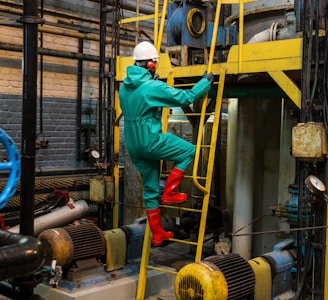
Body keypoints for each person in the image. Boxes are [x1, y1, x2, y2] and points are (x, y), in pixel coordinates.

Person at [119, 41, 214, 246]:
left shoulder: (124, 88)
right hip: (149, 140)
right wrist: (204, 83)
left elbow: (141, 105)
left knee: (151, 190)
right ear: (151, 65)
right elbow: (185, 98)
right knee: (188, 151)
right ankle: (171, 191)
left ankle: (158, 234)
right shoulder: (152, 87)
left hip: (133, 144)